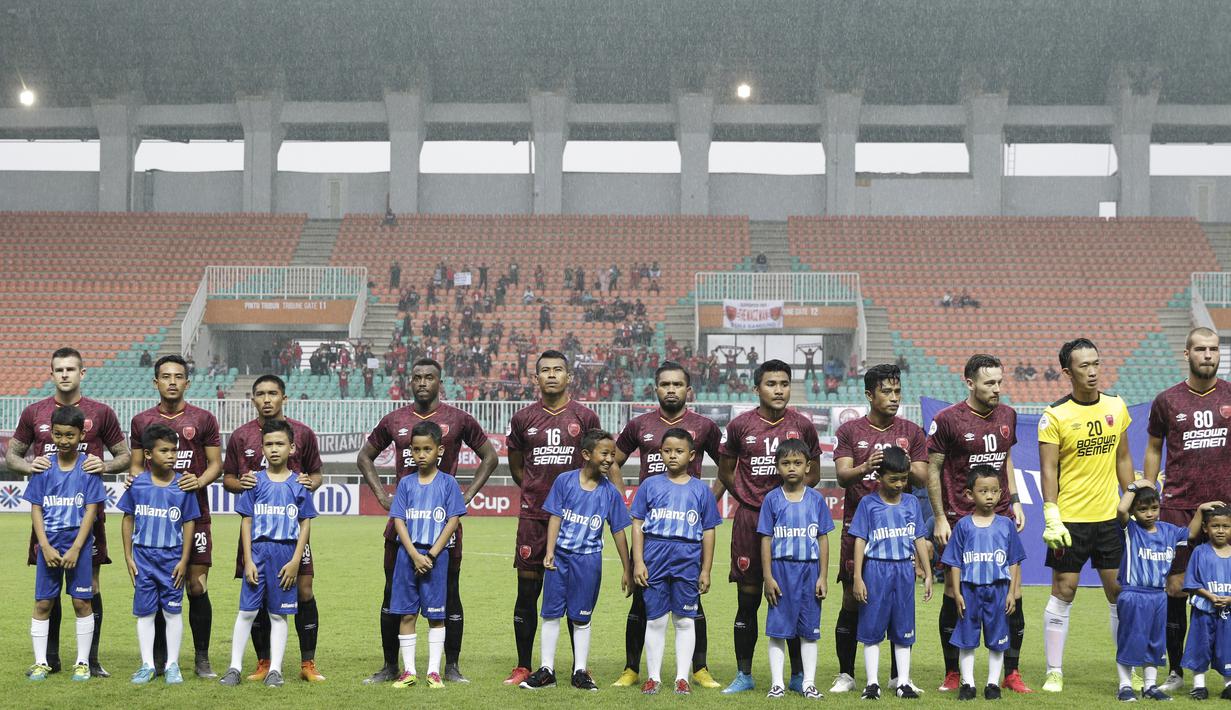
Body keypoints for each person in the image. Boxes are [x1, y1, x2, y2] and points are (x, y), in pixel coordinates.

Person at [358, 357, 499, 684]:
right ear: (411, 381)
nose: (422, 382)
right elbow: (364, 456)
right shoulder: (395, 420)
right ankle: (390, 666)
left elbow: (490, 457)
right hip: (402, 527)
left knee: (450, 595)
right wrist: (381, 495)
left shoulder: (459, 419)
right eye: (417, 377)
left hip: (442, 529)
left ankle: (450, 667)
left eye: (429, 377)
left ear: (440, 381)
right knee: (392, 594)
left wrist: (466, 496)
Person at [8, 347, 130, 678]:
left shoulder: (101, 412)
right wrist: (29, 465)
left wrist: (104, 464)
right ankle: (49, 658)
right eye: (58, 369)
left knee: (88, 585)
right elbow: (12, 455)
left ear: (82, 373)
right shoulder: (34, 412)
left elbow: (124, 455)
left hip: (86, 511)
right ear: (51, 374)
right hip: (48, 513)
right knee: (49, 583)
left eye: (71, 369)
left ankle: (89, 660)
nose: (64, 374)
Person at [611, 361, 723, 689]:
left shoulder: (704, 426)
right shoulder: (640, 424)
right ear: (655, 388)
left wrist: (707, 503)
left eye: (677, 384)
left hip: (686, 534)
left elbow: (727, 467)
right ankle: (634, 668)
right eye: (665, 384)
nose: (671, 389)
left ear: (688, 390)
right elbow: (613, 461)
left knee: (692, 606)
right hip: (651, 532)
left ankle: (696, 669)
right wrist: (623, 501)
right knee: (640, 598)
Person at [715, 359, 822, 694]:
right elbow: (725, 471)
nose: (779, 390)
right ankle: (744, 674)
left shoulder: (803, 426)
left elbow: (815, 473)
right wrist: (748, 498)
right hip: (750, 520)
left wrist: (788, 499)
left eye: (784, 384)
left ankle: (796, 676)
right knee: (748, 599)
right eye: (771, 384)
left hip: (792, 519)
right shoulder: (740, 425)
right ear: (757, 387)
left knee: (793, 597)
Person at [503, 350, 609, 686]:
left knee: (573, 594)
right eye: (545, 371)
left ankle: (579, 666)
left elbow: (600, 461)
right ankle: (524, 665)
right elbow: (517, 465)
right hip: (534, 518)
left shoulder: (585, 416)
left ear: (569, 377)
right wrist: (539, 495)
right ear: (535, 378)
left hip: (577, 522)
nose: (551, 375)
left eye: (558, 370)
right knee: (528, 592)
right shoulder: (523, 419)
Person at [926, 354, 1030, 693]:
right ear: (970, 383)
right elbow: (933, 469)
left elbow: (1007, 459)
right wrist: (941, 517)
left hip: (1000, 516)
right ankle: (953, 671)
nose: (997, 388)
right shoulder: (947, 420)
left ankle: (1011, 672)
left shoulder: (1008, 415)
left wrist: (1014, 501)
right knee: (954, 595)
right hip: (960, 520)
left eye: (1000, 382)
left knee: (1011, 592)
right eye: (990, 383)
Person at [1038, 338, 1134, 693]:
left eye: (1096, 363)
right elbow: (1049, 469)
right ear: (1067, 372)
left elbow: (1123, 457)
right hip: (1071, 520)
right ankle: (1054, 670)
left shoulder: (1116, 406)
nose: (1092, 371)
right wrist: (1051, 512)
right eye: (1083, 366)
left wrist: (1132, 498)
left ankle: (1129, 668)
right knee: (1065, 590)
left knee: (1119, 593)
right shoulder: (1054, 415)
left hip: (1110, 518)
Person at [1142, 327, 1231, 693]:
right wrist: (1148, 494)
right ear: (1187, 354)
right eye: (1200, 349)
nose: (1208, 355)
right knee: (1176, 589)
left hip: (1227, 508)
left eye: (1213, 349)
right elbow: (1152, 447)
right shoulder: (1166, 400)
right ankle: (1178, 672)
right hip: (1178, 508)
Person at [830, 363, 927, 694]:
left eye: (897, 390)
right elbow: (842, 475)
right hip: (858, 529)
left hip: (898, 534)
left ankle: (899, 676)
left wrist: (898, 464)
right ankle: (847, 674)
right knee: (852, 599)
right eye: (887, 391)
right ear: (870, 394)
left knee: (897, 601)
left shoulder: (912, 432)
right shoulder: (850, 431)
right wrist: (865, 466)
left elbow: (924, 477)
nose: (894, 397)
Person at [222, 375, 325, 683]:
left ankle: (307, 662)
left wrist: (308, 483)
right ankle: (262, 662)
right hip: (257, 538)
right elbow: (229, 479)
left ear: (284, 397)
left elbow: (316, 475)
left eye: (272, 393)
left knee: (302, 590)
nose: (267, 399)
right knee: (254, 600)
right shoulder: (241, 436)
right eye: (261, 394)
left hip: (290, 536)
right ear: (253, 399)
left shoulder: (303, 433)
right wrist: (244, 483)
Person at [127, 355, 223, 678]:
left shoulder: (204, 419)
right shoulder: (141, 422)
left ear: (187, 382)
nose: (172, 381)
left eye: (178, 376)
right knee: (154, 586)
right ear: (155, 382)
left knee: (195, 585)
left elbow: (215, 465)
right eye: (165, 376)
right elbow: (137, 466)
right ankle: (158, 660)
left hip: (193, 514)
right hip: (155, 518)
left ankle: (201, 658)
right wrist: (135, 482)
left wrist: (200, 481)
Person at [520, 429, 633, 692]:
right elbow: (555, 517)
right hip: (560, 559)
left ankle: (580, 671)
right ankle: (546, 670)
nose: (609, 459)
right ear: (586, 454)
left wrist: (627, 568)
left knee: (581, 618)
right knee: (550, 614)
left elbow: (618, 531)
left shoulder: (610, 493)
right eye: (604, 454)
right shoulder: (564, 481)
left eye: (612, 455)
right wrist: (549, 551)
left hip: (588, 562)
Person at [631, 428, 722, 695]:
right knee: (655, 620)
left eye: (679, 451)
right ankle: (654, 677)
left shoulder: (701, 491)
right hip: (655, 556)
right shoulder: (650, 485)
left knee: (684, 620)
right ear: (660, 453)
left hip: (687, 558)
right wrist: (638, 561)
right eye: (667, 450)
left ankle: (682, 678)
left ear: (692, 455)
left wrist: (705, 569)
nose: (673, 455)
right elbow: (637, 523)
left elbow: (708, 531)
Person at [23, 405, 107, 682]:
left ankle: (82, 662)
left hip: (78, 547)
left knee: (82, 603)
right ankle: (40, 662)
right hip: (49, 545)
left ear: (81, 434)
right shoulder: (44, 467)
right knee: (43, 603)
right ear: (52, 434)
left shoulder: (89, 468)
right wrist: (44, 546)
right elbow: (36, 508)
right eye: (58, 435)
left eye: (70, 435)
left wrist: (75, 548)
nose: (63, 440)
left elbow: (91, 512)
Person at [117, 424, 202, 685]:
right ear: (148, 454)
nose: (171, 455)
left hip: (171, 559)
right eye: (164, 450)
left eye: (174, 450)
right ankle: (146, 664)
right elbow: (127, 519)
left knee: (172, 612)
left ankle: (173, 664)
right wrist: (128, 557)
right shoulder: (138, 484)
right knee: (145, 612)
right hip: (143, 558)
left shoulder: (183, 485)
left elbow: (189, 522)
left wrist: (185, 559)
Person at [386, 421, 467, 690]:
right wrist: (413, 554)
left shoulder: (448, 484)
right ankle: (408, 671)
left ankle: (433, 671)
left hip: (436, 557)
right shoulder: (406, 484)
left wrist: (430, 555)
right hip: (407, 557)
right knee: (406, 615)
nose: (421, 454)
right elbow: (398, 520)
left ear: (439, 451)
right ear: (410, 451)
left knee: (436, 615)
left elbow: (452, 520)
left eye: (427, 449)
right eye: (416, 449)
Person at [850, 446, 933, 700]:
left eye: (904, 479)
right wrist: (857, 576)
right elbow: (860, 540)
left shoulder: (911, 503)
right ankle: (872, 683)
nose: (899, 484)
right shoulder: (868, 504)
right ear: (879, 477)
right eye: (893, 479)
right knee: (872, 628)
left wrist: (927, 572)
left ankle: (903, 683)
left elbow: (919, 538)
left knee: (904, 628)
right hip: (876, 569)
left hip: (904, 571)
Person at [939, 465, 1026, 701]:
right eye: (983, 491)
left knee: (998, 639)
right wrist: (957, 593)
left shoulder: (1006, 525)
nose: (989, 496)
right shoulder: (964, 526)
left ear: (1000, 493)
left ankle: (992, 684)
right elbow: (954, 563)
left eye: (994, 491)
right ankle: (968, 684)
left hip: (998, 591)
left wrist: (1011, 593)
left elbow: (1014, 561)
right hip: (969, 591)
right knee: (967, 639)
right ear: (969, 494)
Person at [757, 438, 834, 700]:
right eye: (786, 463)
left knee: (809, 631)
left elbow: (823, 538)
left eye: (797, 463)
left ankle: (808, 683)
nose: (792, 468)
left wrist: (823, 576)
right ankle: (777, 684)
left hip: (810, 573)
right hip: (781, 572)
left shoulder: (816, 499)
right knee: (778, 630)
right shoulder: (771, 500)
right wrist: (768, 577)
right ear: (777, 466)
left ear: (808, 466)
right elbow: (765, 538)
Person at [1114, 483, 1205, 701]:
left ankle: (1149, 686)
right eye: (1142, 509)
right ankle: (1125, 686)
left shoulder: (1168, 531)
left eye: (1153, 508)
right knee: (1131, 640)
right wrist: (1135, 486)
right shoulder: (1131, 529)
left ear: (1159, 507)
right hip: (1134, 593)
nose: (1149, 514)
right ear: (1135, 511)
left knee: (1155, 642)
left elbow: (1192, 532)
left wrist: (1201, 509)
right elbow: (1120, 510)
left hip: (1158, 596)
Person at [1181, 504, 1231, 700]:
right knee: (1200, 646)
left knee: (1227, 646)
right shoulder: (1200, 552)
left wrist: (1229, 599)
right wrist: (1210, 596)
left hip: (1228, 612)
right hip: (1204, 611)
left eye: (1225, 526)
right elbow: (1191, 582)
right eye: (1215, 526)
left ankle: (1228, 684)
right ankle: (1199, 685)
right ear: (1205, 528)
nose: (1220, 530)